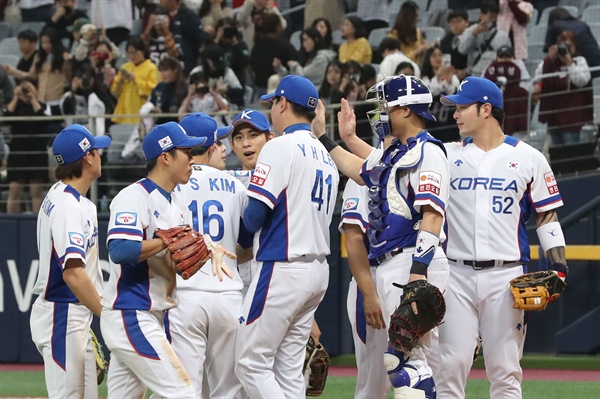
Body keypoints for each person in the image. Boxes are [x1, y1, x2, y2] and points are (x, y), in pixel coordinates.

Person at [313, 74, 451, 398]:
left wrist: (419, 274)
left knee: (409, 363)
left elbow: (432, 215)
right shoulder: (395, 153)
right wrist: (325, 136)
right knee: (402, 362)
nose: (381, 113)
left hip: (412, 261)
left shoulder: (428, 151)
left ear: (405, 110)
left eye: (387, 105)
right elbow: (356, 168)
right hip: (392, 265)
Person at [436, 76, 568, 398]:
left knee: (505, 372)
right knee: (450, 367)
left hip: (506, 277)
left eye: (462, 107)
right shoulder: (445, 155)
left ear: (486, 110)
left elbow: (546, 215)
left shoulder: (529, 158)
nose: (455, 114)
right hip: (456, 275)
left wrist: (560, 267)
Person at [234, 75, 339, 398]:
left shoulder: (279, 146)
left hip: (283, 265)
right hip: (318, 270)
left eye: (273, 104)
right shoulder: (326, 157)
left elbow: (254, 215)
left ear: (282, 104)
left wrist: (237, 241)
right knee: (289, 368)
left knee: (250, 363)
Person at [100, 122, 205, 399]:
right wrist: (165, 242)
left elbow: (181, 262)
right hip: (131, 313)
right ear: (166, 157)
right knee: (183, 393)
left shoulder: (178, 202)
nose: (192, 158)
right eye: (186, 151)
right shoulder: (134, 196)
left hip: (152, 313)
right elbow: (120, 250)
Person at [169, 112, 252, 399]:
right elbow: (248, 242)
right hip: (228, 293)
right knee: (228, 390)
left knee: (185, 388)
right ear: (210, 145)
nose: (224, 148)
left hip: (185, 294)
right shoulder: (234, 184)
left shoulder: (170, 184)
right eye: (219, 142)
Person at [30, 124, 111, 399]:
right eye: (97, 149)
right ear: (88, 157)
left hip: (73, 314)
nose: (101, 154)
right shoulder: (67, 205)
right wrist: (107, 314)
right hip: (62, 313)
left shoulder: (68, 197)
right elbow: (73, 274)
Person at [340, 178, 390, 399]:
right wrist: (369, 293)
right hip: (374, 274)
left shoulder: (425, 161)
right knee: (373, 383)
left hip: (418, 274)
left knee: (425, 373)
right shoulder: (362, 174)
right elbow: (353, 238)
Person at [536, 30, 593, 146]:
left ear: (574, 46)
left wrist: (570, 63)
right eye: (562, 46)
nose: (566, 49)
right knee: (557, 155)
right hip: (554, 118)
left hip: (572, 118)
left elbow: (582, 81)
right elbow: (537, 77)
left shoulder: (579, 61)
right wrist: (548, 59)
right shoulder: (550, 63)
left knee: (571, 153)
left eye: (569, 46)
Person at [3, 78, 51, 214]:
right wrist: (16, 97)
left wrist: (33, 98)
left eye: (29, 89)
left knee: (36, 192)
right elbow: (6, 117)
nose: (26, 92)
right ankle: (11, 223)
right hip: (18, 152)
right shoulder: (14, 106)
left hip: (36, 152)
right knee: (14, 191)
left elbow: (43, 120)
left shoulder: (41, 105)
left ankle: (37, 224)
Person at [483, 44, 532, 137]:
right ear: (497, 57)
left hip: (513, 109)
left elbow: (527, 87)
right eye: (502, 57)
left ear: (513, 57)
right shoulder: (491, 67)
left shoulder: (519, 66)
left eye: (507, 57)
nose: (505, 60)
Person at [456, 0, 512, 77]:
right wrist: (474, 34)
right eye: (485, 14)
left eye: (492, 17)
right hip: (474, 74)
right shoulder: (470, 31)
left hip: (494, 75)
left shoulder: (502, 36)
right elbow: (462, 50)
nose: (488, 19)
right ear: (481, 14)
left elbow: (508, 59)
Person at [110, 37, 158, 124]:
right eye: (129, 53)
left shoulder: (151, 67)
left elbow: (153, 89)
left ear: (142, 51)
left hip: (140, 108)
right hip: (124, 111)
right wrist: (121, 80)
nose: (132, 56)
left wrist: (135, 79)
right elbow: (114, 92)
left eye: (134, 53)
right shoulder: (125, 67)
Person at [545, 6, 600, 78]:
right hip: (597, 66)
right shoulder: (582, 24)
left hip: (579, 70)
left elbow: (550, 52)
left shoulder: (554, 26)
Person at [388, 0, 429, 65]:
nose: (417, 20)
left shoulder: (418, 32)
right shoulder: (393, 36)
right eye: (415, 16)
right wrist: (417, 52)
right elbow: (397, 61)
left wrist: (428, 47)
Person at [439, 9, 470, 81]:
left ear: (467, 22)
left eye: (458, 21)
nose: (455, 25)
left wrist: (466, 71)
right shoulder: (445, 41)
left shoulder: (473, 37)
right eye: (452, 22)